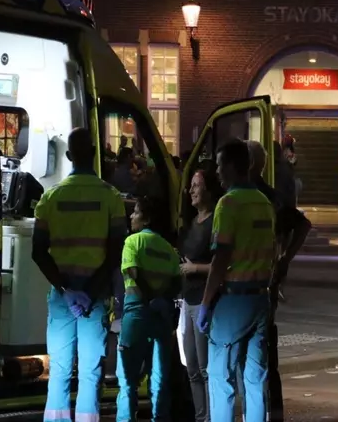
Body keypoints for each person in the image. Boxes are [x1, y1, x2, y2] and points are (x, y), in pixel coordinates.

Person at [32, 128, 126, 422]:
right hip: (94, 300)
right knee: (89, 373)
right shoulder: (111, 198)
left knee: (58, 372)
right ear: (95, 154)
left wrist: (66, 290)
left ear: (69, 156)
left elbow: (38, 252)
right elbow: (116, 251)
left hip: (63, 299)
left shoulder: (50, 198)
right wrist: (89, 293)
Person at [197, 139, 276, 422]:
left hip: (233, 301)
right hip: (260, 299)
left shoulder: (228, 204)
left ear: (231, 166)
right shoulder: (264, 203)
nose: (217, 172)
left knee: (220, 378)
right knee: (254, 379)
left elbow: (221, 260)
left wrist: (205, 304)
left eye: (219, 165)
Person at [247, 140, 312, 422]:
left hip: (244, 287)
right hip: (265, 284)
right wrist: (284, 260)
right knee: (266, 355)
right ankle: (273, 413)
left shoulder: (239, 196)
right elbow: (303, 224)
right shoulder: (272, 196)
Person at [115, 195, 180, 421]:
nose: (131, 216)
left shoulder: (132, 242)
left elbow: (133, 272)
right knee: (160, 378)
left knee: (127, 379)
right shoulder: (169, 250)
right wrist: (160, 299)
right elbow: (176, 282)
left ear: (147, 218)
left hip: (137, 311)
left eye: (136, 212)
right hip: (161, 315)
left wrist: (149, 297)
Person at [178, 166, 225, 422]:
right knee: (192, 368)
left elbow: (223, 265)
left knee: (206, 368)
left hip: (205, 301)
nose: (191, 191)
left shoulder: (215, 221)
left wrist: (195, 268)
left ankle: (211, 416)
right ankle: (200, 416)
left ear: (208, 189)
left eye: (197, 185)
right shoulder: (191, 223)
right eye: (192, 186)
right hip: (187, 301)